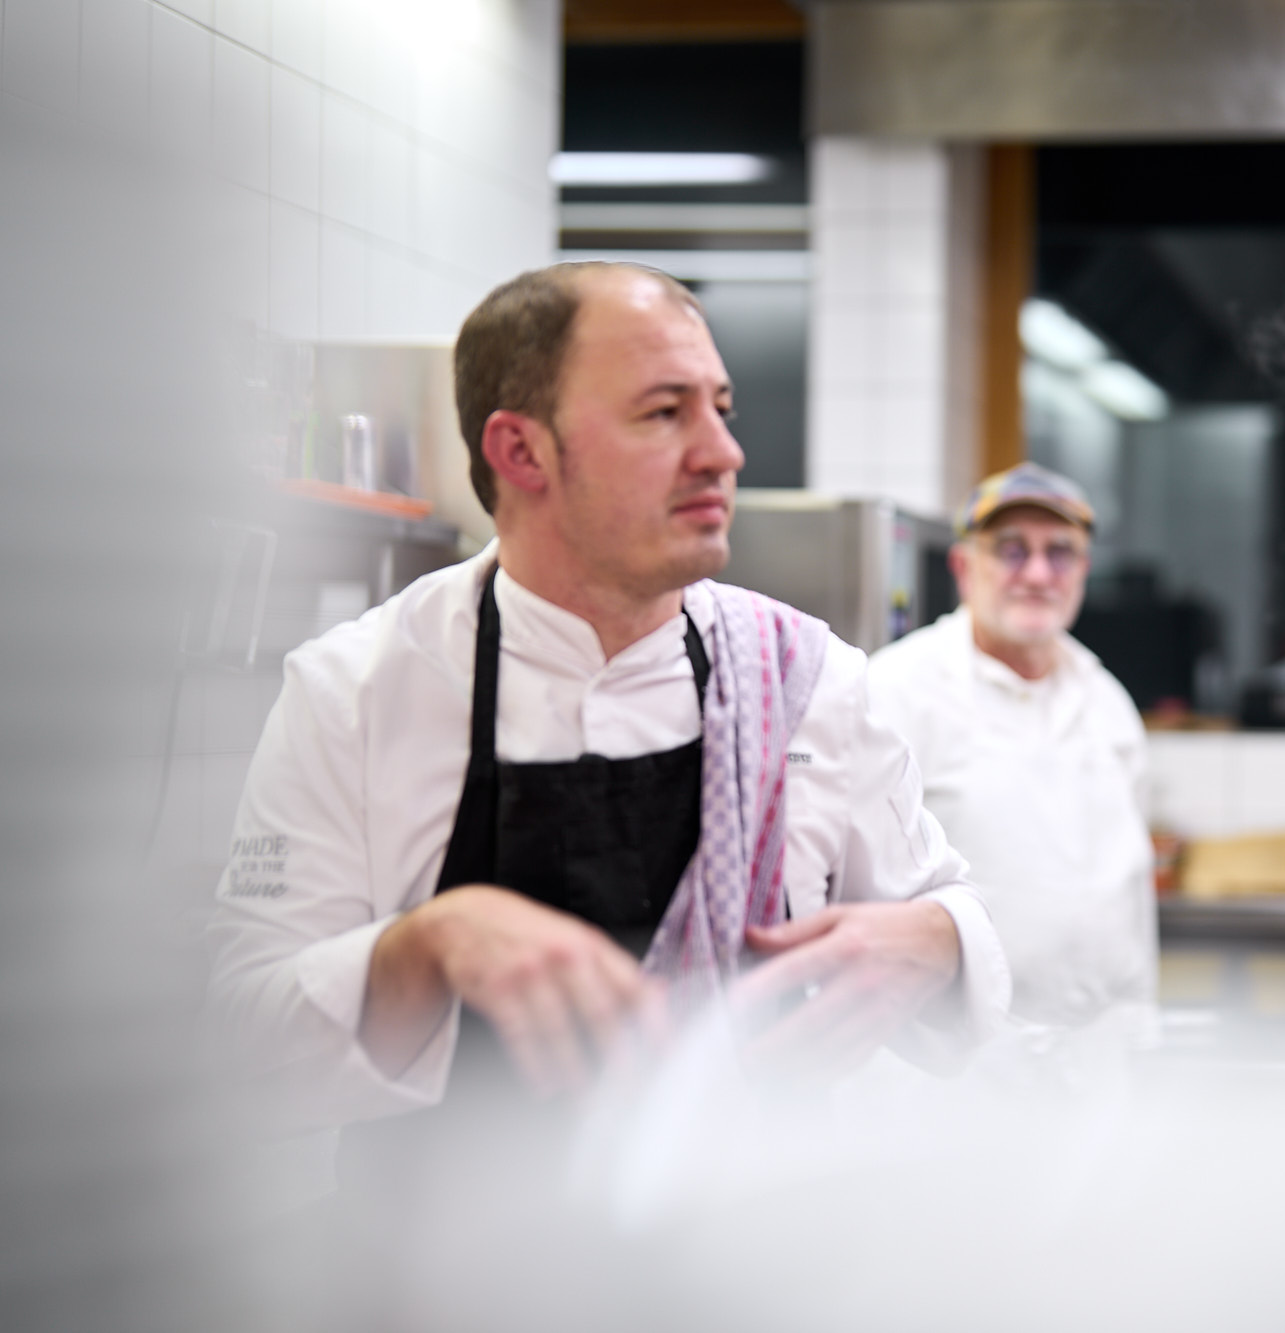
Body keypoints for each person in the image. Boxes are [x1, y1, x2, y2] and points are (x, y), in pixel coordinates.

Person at [205, 263, 1011, 1158]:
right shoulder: (354, 689)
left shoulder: (806, 678)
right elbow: (241, 1038)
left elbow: (953, 912)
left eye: (721, 409)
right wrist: (423, 948)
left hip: (754, 1228)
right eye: (664, 413)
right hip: (444, 1237)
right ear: (522, 452)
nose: (724, 453)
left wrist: (939, 940)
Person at [868, 463, 1157, 1026]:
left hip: (1106, 1048)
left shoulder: (1107, 701)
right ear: (963, 567)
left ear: (1083, 571)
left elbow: (1132, 894)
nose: (1038, 574)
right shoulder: (898, 690)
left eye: (1060, 553)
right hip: (968, 1053)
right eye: (1011, 550)